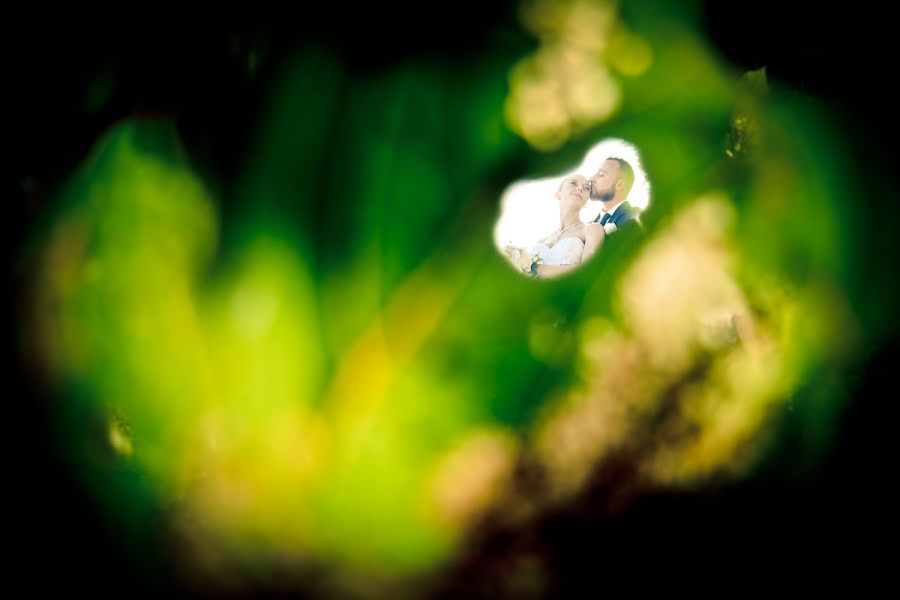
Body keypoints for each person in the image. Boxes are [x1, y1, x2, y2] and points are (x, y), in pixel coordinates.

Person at [526, 174, 606, 278]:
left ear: (587, 202)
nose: (580, 188)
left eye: (586, 188)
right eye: (573, 183)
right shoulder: (541, 241)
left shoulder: (591, 229)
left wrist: (535, 268)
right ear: (558, 195)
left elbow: (588, 270)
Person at [588, 157, 641, 234]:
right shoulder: (588, 225)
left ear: (619, 184)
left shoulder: (635, 219)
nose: (591, 179)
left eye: (601, 175)